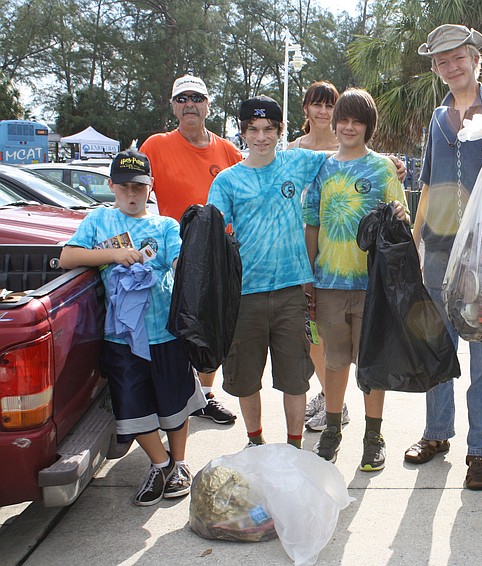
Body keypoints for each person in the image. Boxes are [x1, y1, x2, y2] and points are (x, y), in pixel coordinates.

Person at [405, 24, 482, 491]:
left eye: (459, 57)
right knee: (438, 347)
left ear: (476, 59)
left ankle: (481, 451)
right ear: (436, 69)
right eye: (442, 61)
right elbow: (426, 184)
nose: (451, 66)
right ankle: (437, 433)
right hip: (439, 249)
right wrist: (413, 244)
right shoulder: (438, 119)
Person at [59, 150, 207, 506]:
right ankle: (160, 463)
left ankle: (181, 462)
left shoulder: (165, 226)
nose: (131, 194)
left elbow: (180, 260)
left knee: (175, 403)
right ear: (110, 186)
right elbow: (68, 256)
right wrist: (113, 255)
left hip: (165, 334)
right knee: (133, 406)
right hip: (121, 339)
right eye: (124, 186)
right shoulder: (98, 221)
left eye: (139, 187)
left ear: (150, 187)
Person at [207, 96, 327, 450]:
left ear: (280, 131)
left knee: (295, 379)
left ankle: (294, 447)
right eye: (253, 130)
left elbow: (347, 159)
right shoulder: (228, 181)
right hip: (244, 295)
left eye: (269, 130)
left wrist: (391, 164)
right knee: (246, 379)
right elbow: (210, 237)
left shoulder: (296, 162)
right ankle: (255, 441)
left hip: (291, 291)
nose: (261, 137)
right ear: (243, 132)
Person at [289, 81, 407, 433]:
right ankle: (333, 428)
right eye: (344, 120)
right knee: (334, 361)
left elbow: (400, 221)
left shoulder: (383, 168)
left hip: (372, 285)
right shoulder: (321, 169)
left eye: (358, 121)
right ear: (335, 123)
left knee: (371, 364)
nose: (349, 127)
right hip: (328, 284)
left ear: (369, 127)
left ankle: (374, 435)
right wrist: (308, 277)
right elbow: (312, 224)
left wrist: (400, 216)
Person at [139, 74, 242, 426]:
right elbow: (133, 189)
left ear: (208, 105)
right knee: (180, 328)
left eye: (197, 98)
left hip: (218, 256)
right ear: (173, 107)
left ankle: (205, 395)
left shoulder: (227, 151)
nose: (189, 105)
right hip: (176, 258)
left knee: (212, 325)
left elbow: (257, 182)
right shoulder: (155, 146)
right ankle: (183, 393)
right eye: (182, 99)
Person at [287, 81, 350, 433]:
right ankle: (329, 396)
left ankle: (333, 401)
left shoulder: (347, 147)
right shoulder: (292, 150)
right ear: (306, 109)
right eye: (317, 105)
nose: (323, 112)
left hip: (340, 252)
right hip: (300, 250)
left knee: (334, 331)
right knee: (309, 331)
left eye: (330, 105)